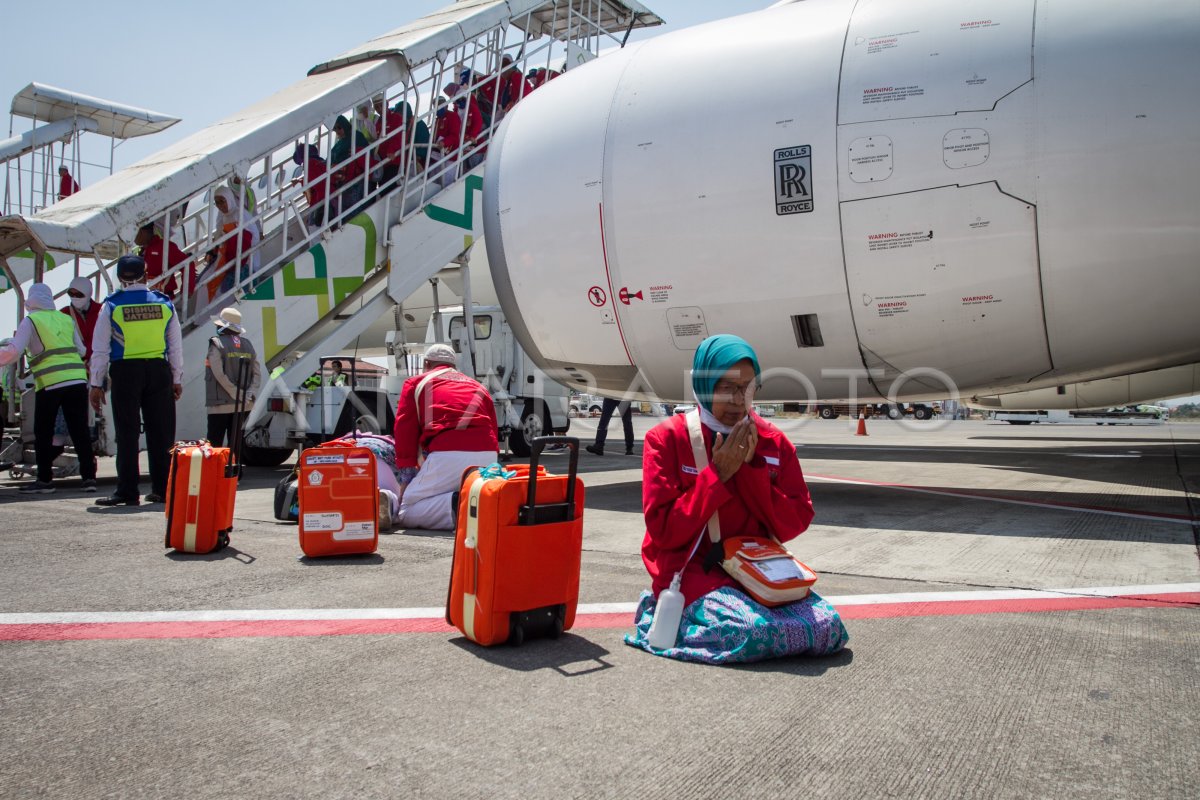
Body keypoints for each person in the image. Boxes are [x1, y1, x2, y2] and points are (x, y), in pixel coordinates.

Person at [624, 334, 848, 664]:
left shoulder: (772, 441)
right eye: (726, 387)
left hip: (756, 572)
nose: (738, 399)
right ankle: (665, 611)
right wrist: (717, 476)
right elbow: (664, 531)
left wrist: (750, 469)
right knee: (751, 630)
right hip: (697, 573)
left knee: (829, 628)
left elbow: (795, 521)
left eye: (748, 387)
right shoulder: (667, 439)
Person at [90, 255, 184, 506]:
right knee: (162, 433)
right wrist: (176, 377)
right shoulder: (164, 303)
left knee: (127, 432)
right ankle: (163, 489)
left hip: (125, 371)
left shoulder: (111, 305)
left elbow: (100, 350)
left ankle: (127, 491)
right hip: (159, 370)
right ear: (145, 274)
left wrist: (96, 384)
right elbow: (175, 346)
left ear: (120, 277)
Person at [0, 283, 97, 493]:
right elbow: (81, 350)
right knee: (79, 429)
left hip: (51, 382)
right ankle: (89, 478)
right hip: (77, 380)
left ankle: (45, 481)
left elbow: (14, 351)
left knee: (43, 431)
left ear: (30, 300)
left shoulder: (31, 320)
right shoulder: (65, 319)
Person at [392, 343, 498, 530]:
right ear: (454, 365)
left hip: (447, 453)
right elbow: (493, 427)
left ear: (426, 364)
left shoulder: (416, 383)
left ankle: (458, 506)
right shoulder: (478, 386)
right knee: (461, 486)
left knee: (406, 510)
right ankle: (478, 504)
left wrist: (406, 479)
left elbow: (405, 430)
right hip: (487, 455)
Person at [205, 307, 260, 448]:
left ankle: (216, 471)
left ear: (222, 326)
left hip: (220, 404)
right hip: (244, 405)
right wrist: (249, 394)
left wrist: (236, 393)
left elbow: (219, 374)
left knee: (214, 444)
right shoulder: (248, 345)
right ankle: (236, 470)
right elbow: (257, 374)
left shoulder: (216, 344)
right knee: (236, 445)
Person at [136, 223, 192, 300]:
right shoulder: (140, 250)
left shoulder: (165, 247)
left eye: (136, 232)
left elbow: (188, 264)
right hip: (144, 298)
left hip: (163, 299)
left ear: (144, 232)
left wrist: (187, 289)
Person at [330, 114, 370, 219]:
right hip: (342, 180)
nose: (337, 131)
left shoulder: (356, 137)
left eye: (339, 127)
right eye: (335, 129)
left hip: (356, 179)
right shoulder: (339, 143)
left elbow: (365, 154)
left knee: (354, 209)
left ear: (345, 125)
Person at [62, 276, 101, 366]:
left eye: (79, 294)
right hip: (75, 364)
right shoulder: (64, 313)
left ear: (88, 293)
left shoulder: (102, 311)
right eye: (71, 294)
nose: (75, 297)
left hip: (99, 362)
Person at [291, 143, 330, 227]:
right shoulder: (319, 160)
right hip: (324, 196)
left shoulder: (310, 164)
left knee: (313, 227)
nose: (301, 163)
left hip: (319, 199)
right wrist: (299, 180)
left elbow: (312, 182)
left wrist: (300, 181)